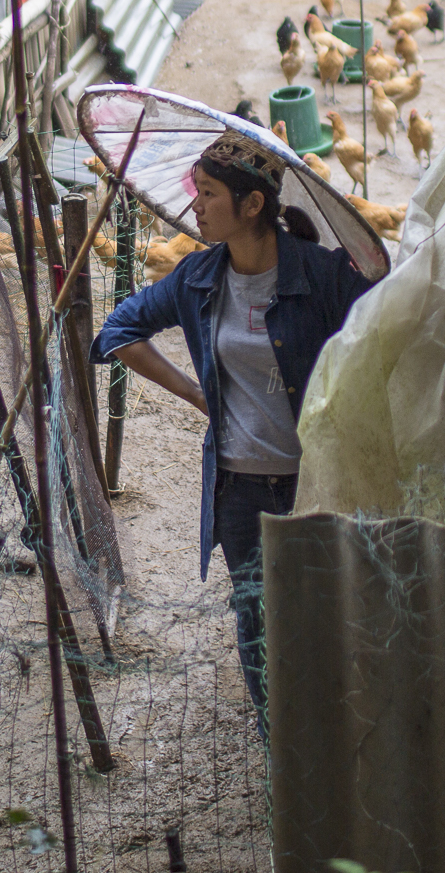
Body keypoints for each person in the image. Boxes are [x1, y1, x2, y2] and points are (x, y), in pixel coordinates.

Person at [93, 130, 375, 726]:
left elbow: (380, 337)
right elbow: (118, 332)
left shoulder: (322, 274)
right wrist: (199, 395)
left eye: (210, 193)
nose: (195, 204)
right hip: (238, 489)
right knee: (256, 619)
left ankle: (333, 729)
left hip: (315, 480)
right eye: (198, 190)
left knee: (325, 611)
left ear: (252, 206)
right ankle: (279, 740)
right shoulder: (197, 277)